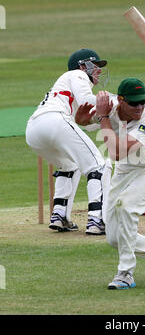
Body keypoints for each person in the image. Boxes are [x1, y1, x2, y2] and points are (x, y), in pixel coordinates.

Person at [75, 78, 145, 290]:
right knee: (114, 238)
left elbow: (116, 152)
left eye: (142, 102)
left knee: (126, 207)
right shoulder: (111, 111)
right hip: (125, 171)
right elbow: (88, 120)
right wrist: (82, 120)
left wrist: (104, 117)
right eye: (133, 103)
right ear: (120, 100)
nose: (139, 107)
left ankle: (125, 273)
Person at [26, 48, 109, 235]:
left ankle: (59, 215)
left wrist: (106, 118)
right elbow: (89, 101)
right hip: (55, 121)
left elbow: (87, 124)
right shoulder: (77, 75)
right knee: (97, 165)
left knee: (69, 164)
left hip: (33, 129)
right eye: (95, 66)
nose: (98, 70)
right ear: (82, 66)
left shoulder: (68, 85)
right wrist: (115, 104)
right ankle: (97, 219)